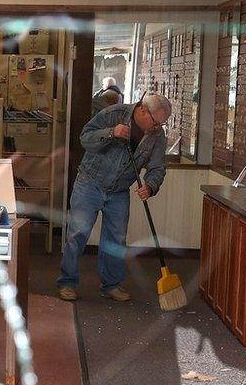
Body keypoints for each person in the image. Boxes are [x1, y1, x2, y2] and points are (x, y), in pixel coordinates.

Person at [57, 93, 171, 302]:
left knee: (116, 239)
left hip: (119, 190)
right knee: (78, 234)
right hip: (89, 182)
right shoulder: (114, 114)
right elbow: (85, 138)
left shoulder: (157, 135)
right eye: (155, 122)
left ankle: (111, 285)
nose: (157, 128)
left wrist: (151, 185)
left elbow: (157, 167)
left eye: (162, 124)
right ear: (143, 110)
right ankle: (67, 282)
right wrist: (111, 133)